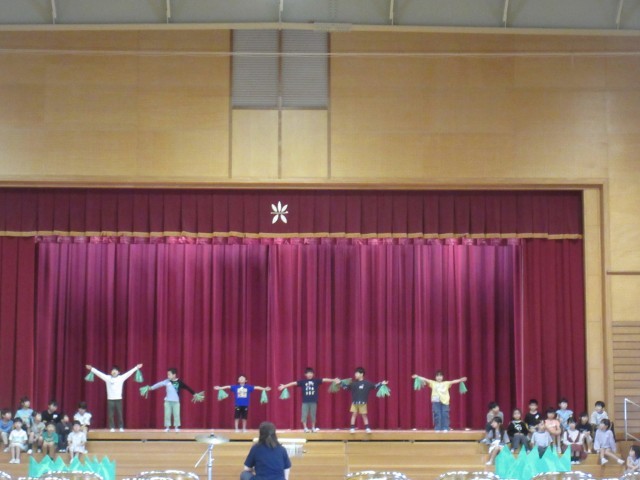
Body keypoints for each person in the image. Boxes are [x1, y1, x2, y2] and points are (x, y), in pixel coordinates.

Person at [85, 363, 143, 432]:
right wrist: (91, 369)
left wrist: (136, 367)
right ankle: (112, 427)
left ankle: (121, 427)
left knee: (119, 414)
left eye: (115, 371)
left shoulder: (121, 378)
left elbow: (129, 373)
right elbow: (99, 374)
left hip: (119, 399)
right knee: (110, 414)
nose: (114, 372)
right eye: (113, 370)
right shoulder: (108, 378)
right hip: (110, 399)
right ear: (111, 372)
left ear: (119, 372)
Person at [278, 368, 338, 432]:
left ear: (313, 374)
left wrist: (333, 380)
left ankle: (313, 427)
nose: (309, 374)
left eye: (311, 373)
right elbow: (293, 383)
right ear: (305, 374)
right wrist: (285, 386)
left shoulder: (316, 381)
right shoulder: (303, 382)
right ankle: (305, 428)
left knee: (313, 415)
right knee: (304, 415)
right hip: (305, 402)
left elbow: (324, 379)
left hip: (313, 401)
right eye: (308, 373)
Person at [148, 368, 200, 432]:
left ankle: (176, 427)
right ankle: (167, 427)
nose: (168, 376)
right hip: (167, 401)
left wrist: (194, 393)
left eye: (169, 374)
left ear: (174, 375)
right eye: (167, 374)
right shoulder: (166, 381)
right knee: (167, 415)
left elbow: (187, 387)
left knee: (176, 415)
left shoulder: (179, 382)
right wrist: (151, 388)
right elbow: (159, 384)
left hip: (176, 402)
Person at [338, 367, 389, 433]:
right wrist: (340, 383)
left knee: (364, 415)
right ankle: (352, 428)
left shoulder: (367, 383)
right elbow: (346, 387)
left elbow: (375, 386)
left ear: (361, 374)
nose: (355, 374)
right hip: (354, 403)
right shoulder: (353, 384)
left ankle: (367, 428)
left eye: (357, 373)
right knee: (354, 414)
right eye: (355, 373)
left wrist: (382, 383)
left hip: (363, 403)